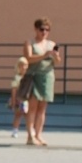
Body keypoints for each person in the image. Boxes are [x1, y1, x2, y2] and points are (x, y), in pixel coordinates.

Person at [23, 18, 62, 146]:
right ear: (36, 29)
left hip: (47, 77)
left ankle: (39, 135)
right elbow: (28, 59)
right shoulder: (30, 43)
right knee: (32, 107)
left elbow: (57, 62)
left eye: (47, 30)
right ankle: (30, 136)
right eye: (42, 29)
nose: (44, 32)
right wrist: (44, 55)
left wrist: (55, 56)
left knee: (42, 109)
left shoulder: (51, 44)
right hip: (34, 76)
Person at [7, 56, 30, 138]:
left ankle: (30, 131)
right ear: (19, 66)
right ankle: (15, 130)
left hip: (26, 100)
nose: (25, 67)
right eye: (23, 65)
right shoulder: (17, 78)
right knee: (18, 115)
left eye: (26, 65)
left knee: (28, 116)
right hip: (18, 99)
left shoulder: (28, 77)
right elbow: (14, 90)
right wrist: (13, 100)